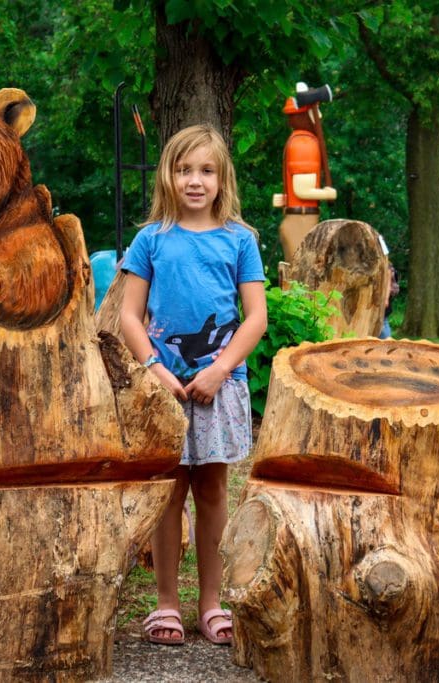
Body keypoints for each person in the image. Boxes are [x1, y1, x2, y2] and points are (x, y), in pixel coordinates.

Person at [119, 124, 267, 647]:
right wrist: (155, 368)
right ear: (169, 176)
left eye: (205, 170)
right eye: (184, 170)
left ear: (222, 178)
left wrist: (220, 368)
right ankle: (165, 604)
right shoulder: (151, 240)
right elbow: (129, 314)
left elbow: (255, 318)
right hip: (165, 388)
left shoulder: (239, 241)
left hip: (217, 386)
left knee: (211, 489)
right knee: (168, 494)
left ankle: (211, 602)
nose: (195, 181)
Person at [274, 82, 337, 261]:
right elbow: (301, 190)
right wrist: (327, 193)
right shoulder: (305, 145)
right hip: (301, 220)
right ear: (305, 115)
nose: (320, 116)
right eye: (316, 112)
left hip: (298, 218)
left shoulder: (298, 141)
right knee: (302, 277)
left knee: (298, 278)